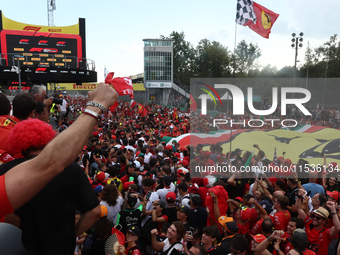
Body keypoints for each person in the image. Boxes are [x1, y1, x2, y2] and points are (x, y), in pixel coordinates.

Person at [0, 82, 117, 248]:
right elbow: (94, 211)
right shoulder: (72, 170)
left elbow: (9, 216)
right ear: (48, 138)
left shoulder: (5, 170)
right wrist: (71, 233)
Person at [296, 189, 340, 255]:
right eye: (313, 216)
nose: (314, 218)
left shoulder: (326, 233)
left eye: (318, 218)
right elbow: (298, 208)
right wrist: (299, 197)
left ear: (324, 221)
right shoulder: (309, 223)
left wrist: (333, 211)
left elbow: (337, 228)